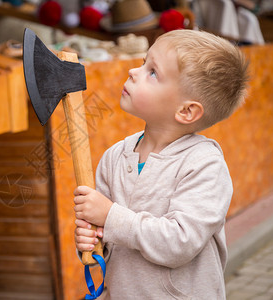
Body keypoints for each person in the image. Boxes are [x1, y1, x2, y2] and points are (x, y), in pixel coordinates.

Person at [73, 29, 249, 299]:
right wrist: (93, 240)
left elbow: (179, 242)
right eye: (144, 62)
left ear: (186, 111)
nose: (134, 71)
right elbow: (109, 237)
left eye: (152, 72)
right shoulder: (114, 157)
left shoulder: (203, 165)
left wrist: (109, 216)